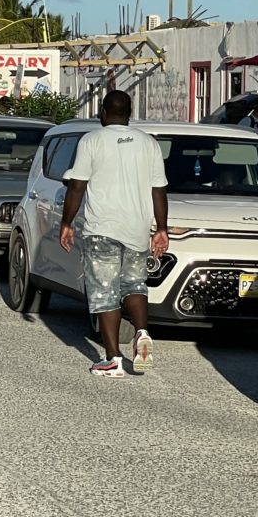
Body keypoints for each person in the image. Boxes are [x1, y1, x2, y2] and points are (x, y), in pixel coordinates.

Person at [60, 89, 168, 377]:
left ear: (103, 113)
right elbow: (159, 190)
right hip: (136, 228)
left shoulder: (92, 140)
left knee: (106, 293)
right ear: (129, 114)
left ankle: (113, 359)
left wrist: (67, 223)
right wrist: (161, 229)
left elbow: (77, 186)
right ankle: (142, 333)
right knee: (134, 285)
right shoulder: (149, 144)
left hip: (101, 229)